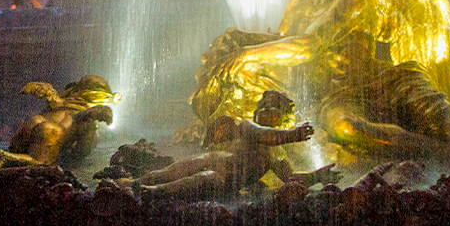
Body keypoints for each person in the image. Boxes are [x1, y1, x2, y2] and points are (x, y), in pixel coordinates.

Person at [133, 90, 337, 200]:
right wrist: (293, 135)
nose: (265, 109)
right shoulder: (249, 127)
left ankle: (159, 191)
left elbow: (286, 180)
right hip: (210, 161)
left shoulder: (274, 158)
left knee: (204, 180)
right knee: (172, 171)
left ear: (283, 118)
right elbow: (267, 135)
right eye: (262, 106)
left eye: (272, 106)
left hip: (223, 182)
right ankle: (135, 184)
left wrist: (315, 177)